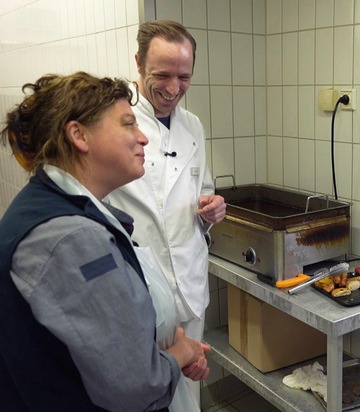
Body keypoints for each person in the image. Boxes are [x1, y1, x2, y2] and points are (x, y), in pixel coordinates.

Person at [0, 72, 210, 411]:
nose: (142, 137)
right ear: (79, 135)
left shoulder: (62, 204)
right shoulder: (71, 238)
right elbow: (137, 386)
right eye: (128, 124)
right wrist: (179, 354)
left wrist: (168, 348)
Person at [106, 20, 226, 405]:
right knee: (148, 393)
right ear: (139, 62)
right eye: (162, 75)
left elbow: (202, 187)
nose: (174, 88)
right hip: (139, 288)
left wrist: (212, 205)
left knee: (190, 389)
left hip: (189, 281)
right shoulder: (115, 124)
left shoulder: (193, 126)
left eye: (184, 76)